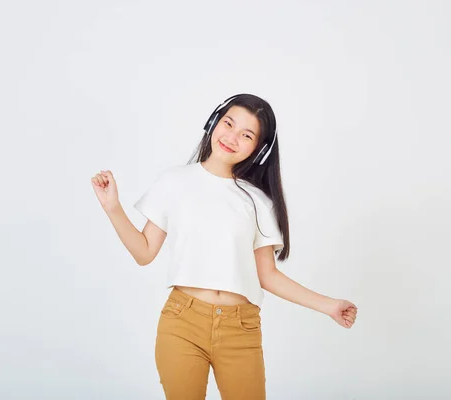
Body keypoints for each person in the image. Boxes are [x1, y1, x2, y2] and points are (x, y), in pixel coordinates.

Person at [91, 94, 358, 399]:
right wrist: (113, 207)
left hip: (240, 328)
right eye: (228, 123)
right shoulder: (174, 182)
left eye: (246, 135)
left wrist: (330, 306)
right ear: (213, 122)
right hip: (182, 322)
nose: (232, 137)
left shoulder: (257, 202)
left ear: (259, 149)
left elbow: (267, 276)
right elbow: (144, 252)